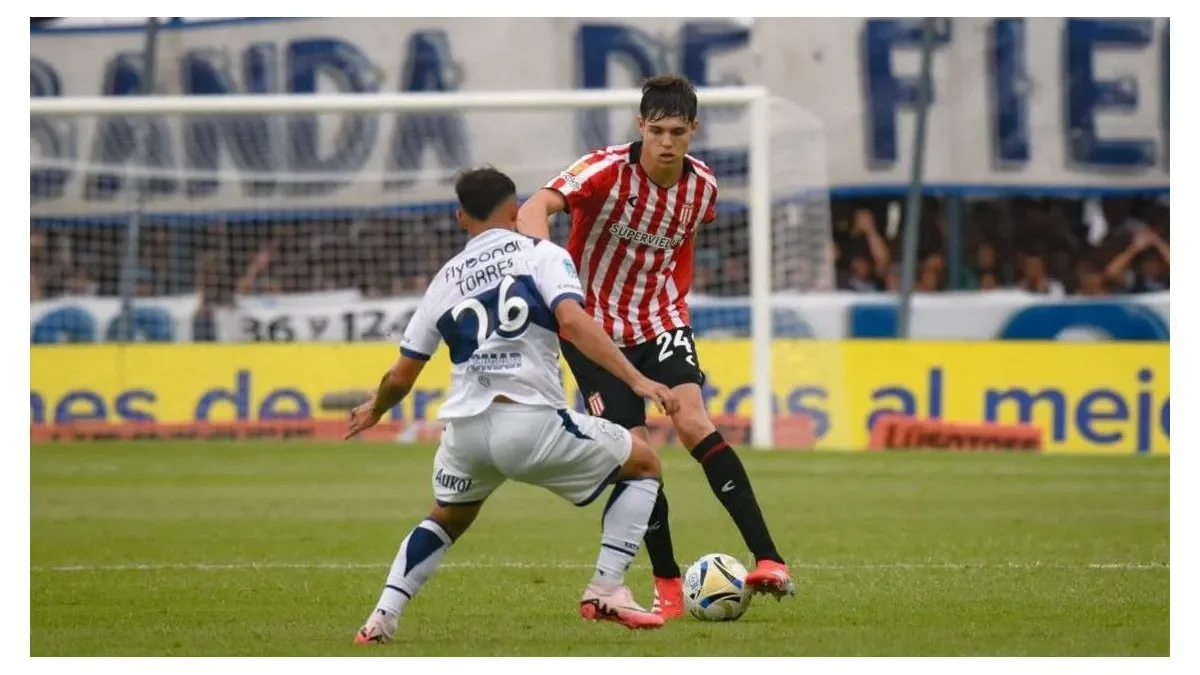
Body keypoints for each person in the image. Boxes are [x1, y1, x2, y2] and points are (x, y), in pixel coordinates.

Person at [345, 167, 682, 643]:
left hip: (465, 431)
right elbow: (573, 321)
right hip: (527, 420)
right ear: (514, 208)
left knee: (446, 517)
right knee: (644, 463)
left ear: (460, 217)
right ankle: (607, 588)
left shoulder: (443, 280)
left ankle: (380, 618)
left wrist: (375, 408)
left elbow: (402, 375)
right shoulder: (541, 254)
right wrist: (637, 378)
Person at [516, 75, 795, 619]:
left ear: (694, 131)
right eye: (657, 130)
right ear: (640, 127)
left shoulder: (704, 187)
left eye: (678, 132)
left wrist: (674, 294)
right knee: (639, 454)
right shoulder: (602, 170)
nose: (667, 142)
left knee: (694, 421)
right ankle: (666, 579)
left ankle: (769, 559)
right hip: (594, 330)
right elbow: (533, 209)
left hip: (662, 319)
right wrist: (548, 272)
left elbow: (681, 240)